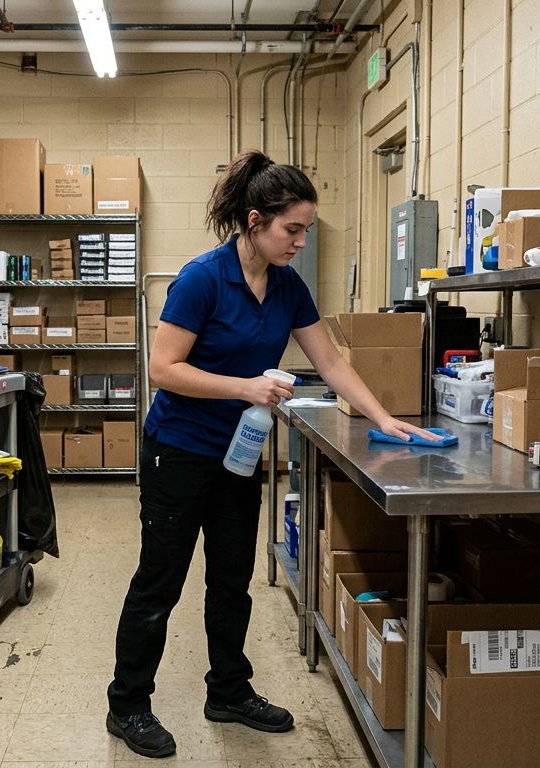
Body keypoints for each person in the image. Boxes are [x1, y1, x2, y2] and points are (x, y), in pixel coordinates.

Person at [104, 149, 424, 759]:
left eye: (305, 229)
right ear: (255, 221)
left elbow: (329, 360)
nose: (300, 241)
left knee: (232, 580)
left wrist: (385, 417)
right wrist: (247, 387)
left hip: (239, 456)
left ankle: (228, 690)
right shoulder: (202, 278)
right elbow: (162, 370)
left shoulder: (286, 286)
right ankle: (129, 704)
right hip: (180, 451)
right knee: (160, 581)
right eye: (292, 229)